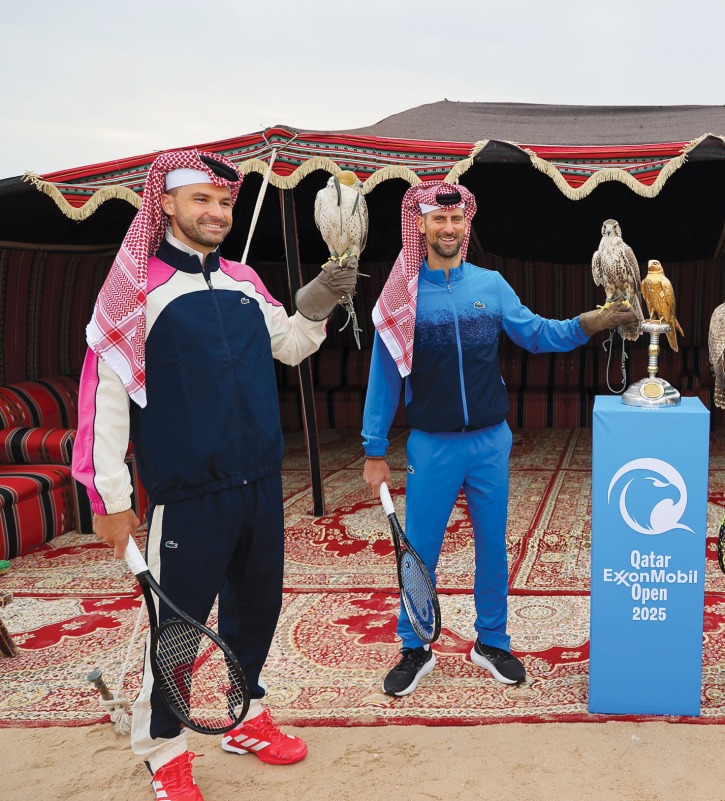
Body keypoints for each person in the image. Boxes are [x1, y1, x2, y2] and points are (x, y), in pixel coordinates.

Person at [72, 150, 358, 801]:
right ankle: (163, 745)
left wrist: (315, 301)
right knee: (177, 627)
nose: (216, 211)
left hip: (259, 484)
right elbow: (104, 397)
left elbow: (287, 343)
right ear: (166, 203)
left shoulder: (243, 279)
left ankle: (243, 715)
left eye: (224, 201)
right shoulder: (136, 292)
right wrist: (109, 497)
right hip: (187, 495)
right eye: (201, 198)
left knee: (255, 611)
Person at [362, 181, 635, 697]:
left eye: (456, 220)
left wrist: (590, 322)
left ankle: (492, 640)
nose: (448, 228)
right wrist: (374, 449)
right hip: (432, 444)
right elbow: (385, 376)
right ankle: (414, 647)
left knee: (492, 546)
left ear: (466, 225)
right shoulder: (402, 296)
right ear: (420, 226)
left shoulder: (491, 285)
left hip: (490, 441)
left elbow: (537, 333)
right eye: (437, 221)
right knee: (420, 550)